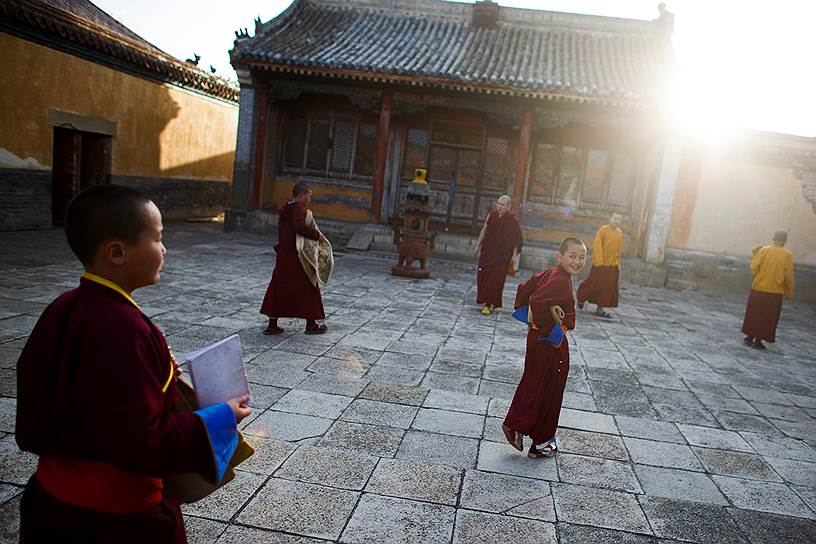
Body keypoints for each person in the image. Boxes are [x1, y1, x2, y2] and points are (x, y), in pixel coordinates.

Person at [15, 185, 252, 543]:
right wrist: (222, 416)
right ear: (117, 252)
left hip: (51, 501)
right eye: (157, 238)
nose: (164, 249)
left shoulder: (64, 306)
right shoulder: (123, 329)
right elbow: (142, 440)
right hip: (113, 519)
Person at [502, 237, 587, 458]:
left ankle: (516, 425)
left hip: (539, 338)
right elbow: (537, 300)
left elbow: (526, 287)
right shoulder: (560, 279)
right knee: (551, 388)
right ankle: (540, 442)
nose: (577, 261)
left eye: (582, 257)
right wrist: (553, 333)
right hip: (548, 341)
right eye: (572, 256)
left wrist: (536, 325)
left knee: (535, 381)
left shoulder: (554, 273)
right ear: (560, 256)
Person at [261, 182, 328, 335]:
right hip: (297, 257)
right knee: (309, 286)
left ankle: (272, 325)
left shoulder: (287, 207)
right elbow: (299, 227)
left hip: (284, 255)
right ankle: (311, 325)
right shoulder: (298, 208)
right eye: (308, 197)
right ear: (302, 195)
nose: (309, 200)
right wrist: (317, 235)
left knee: (278, 288)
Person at [741, 230, 794, 350]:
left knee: (753, 313)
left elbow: (754, 267)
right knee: (767, 317)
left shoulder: (764, 250)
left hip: (758, 288)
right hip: (775, 292)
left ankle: (749, 337)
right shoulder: (787, 254)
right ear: (785, 241)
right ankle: (758, 341)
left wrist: (759, 276)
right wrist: (788, 292)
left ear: (773, 239)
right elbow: (788, 276)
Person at [475, 195, 524, 315]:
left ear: (508, 207)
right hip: (488, 251)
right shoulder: (492, 215)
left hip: (502, 255)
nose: (499, 206)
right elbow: (485, 229)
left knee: (496, 280)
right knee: (483, 275)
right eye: (498, 203)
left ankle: (489, 304)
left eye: (502, 204)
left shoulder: (512, 221)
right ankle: (484, 299)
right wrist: (478, 245)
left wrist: (513, 255)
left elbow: (516, 240)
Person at [577, 212, 623, 318]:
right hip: (600, 263)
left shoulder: (620, 233)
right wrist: (599, 262)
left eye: (619, 219)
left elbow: (618, 250)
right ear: (610, 218)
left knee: (607, 288)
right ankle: (581, 297)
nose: (616, 221)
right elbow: (597, 245)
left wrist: (617, 264)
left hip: (612, 265)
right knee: (593, 283)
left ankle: (600, 307)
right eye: (614, 218)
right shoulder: (603, 230)